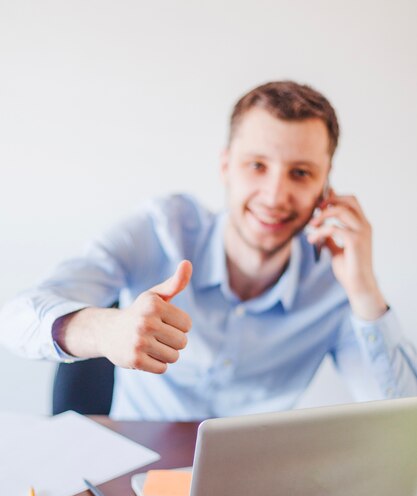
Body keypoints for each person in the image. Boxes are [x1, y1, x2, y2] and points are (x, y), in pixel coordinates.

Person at [1, 81, 416, 420]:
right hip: (130, 475)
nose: (275, 195)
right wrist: (105, 330)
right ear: (225, 166)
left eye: (300, 173)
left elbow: (404, 428)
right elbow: (15, 319)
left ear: (326, 186)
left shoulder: (335, 285)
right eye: (257, 165)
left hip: (247, 490)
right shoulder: (161, 228)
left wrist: (365, 293)